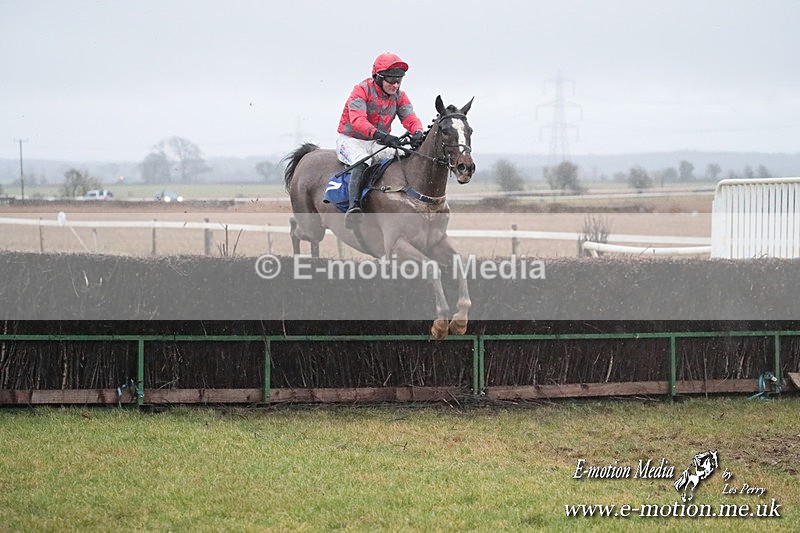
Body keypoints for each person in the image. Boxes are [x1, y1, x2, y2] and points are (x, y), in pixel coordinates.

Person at [337, 52, 425, 228]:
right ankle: (353, 208)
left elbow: (410, 118)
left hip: (377, 141)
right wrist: (383, 136)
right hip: (352, 139)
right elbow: (358, 122)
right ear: (377, 78)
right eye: (391, 80)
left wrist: (418, 132)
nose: (395, 85)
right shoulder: (360, 91)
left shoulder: (400, 95)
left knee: (406, 154)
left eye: (399, 80)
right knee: (365, 160)